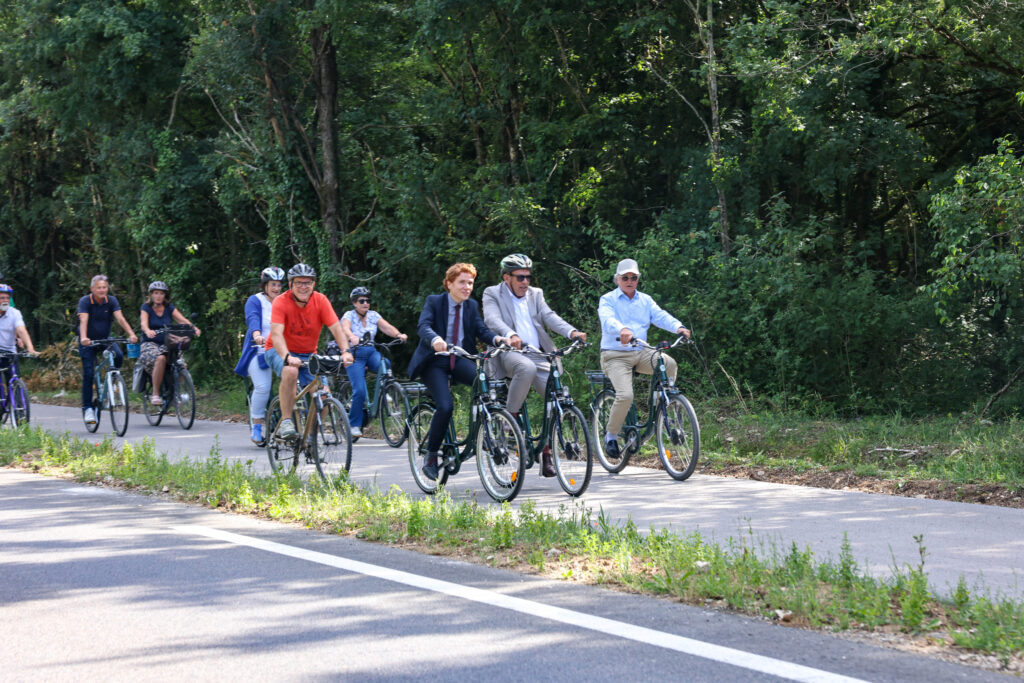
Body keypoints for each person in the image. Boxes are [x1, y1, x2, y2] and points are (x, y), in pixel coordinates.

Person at [482, 253, 587, 477]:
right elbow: (492, 319)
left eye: (528, 277)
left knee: (555, 396)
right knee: (525, 368)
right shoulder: (492, 293)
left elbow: (549, 316)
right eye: (520, 277)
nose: (525, 282)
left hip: (537, 353)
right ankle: (509, 421)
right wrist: (510, 335)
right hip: (508, 352)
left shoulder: (535, 294)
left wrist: (572, 332)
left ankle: (546, 453)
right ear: (506, 277)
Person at [408, 263, 507, 481]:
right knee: (445, 406)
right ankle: (432, 456)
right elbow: (423, 326)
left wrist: (497, 338)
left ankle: (486, 435)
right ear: (449, 283)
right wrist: (435, 339)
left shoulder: (471, 306)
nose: (467, 287)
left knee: (487, 387)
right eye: (462, 282)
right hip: (434, 362)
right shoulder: (435, 302)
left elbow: (481, 330)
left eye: (470, 283)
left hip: (459, 358)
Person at [597, 258, 690, 458]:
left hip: (640, 351)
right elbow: (607, 319)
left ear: (638, 279)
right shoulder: (607, 300)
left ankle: (664, 404)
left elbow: (660, 316)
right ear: (617, 279)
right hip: (615, 355)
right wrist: (622, 329)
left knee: (669, 363)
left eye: (634, 277)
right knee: (625, 396)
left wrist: (678, 327)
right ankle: (611, 435)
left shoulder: (645, 300)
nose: (630, 281)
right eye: (625, 277)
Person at [266, 263, 353, 439]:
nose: (303, 287)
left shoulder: (320, 300)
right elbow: (276, 335)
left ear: (313, 284)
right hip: (278, 350)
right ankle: (286, 421)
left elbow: (336, 328)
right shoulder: (281, 302)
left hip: (308, 353)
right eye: (299, 282)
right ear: (291, 284)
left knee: (324, 398)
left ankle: (310, 436)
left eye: (308, 283)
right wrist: (287, 357)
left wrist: (346, 351)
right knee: (290, 371)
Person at [340, 286, 408, 437]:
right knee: (359, 391)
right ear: (354, 303)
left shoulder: (373, 315)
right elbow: (344, 328)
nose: (365, 303)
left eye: (368, 300)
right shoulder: (349, 315)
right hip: (354, 354)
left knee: (386, 364)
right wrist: (352, 337)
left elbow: (386, 327)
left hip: (370, 352)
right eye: (362, 301)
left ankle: (386, 390)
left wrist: (398, 334)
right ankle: (355, 425)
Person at [233, 267, 286, 443]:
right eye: (273, 284)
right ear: (265, 285)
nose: (276, 288)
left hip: (282, 350)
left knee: (295, 379)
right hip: (259, 350)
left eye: (279, 285)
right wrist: (257, 335)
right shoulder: (255, 301)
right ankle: (257, 424)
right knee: (263, 387)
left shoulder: (286, 301)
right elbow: (253, 318)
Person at [77, 275, 137, 424]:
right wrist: (84, 338)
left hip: (105, 339)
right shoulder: (85, 301)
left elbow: (120, 318)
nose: (102, 290)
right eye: (99, 287)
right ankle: (88, 408)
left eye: (104, 287)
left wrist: (131, 334)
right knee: (89, 373)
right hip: (88, 341)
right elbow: (83, 320)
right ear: (92, 289)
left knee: (118, 356)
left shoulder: (111, 301)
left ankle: (110, 382)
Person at [139, 281, 201, 405]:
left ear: (165, 295)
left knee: (181, 365)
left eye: (161, 293)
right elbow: (143, 324)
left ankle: (173, 391)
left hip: (168, 343)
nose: (158, 296)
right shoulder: (146, 308)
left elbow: (182, 320)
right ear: (151, 294)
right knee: (161, 359)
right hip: (150, 344)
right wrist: (148, 331)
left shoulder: (169, 308)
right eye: (156, 293)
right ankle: (156, 394)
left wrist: (193, 328)